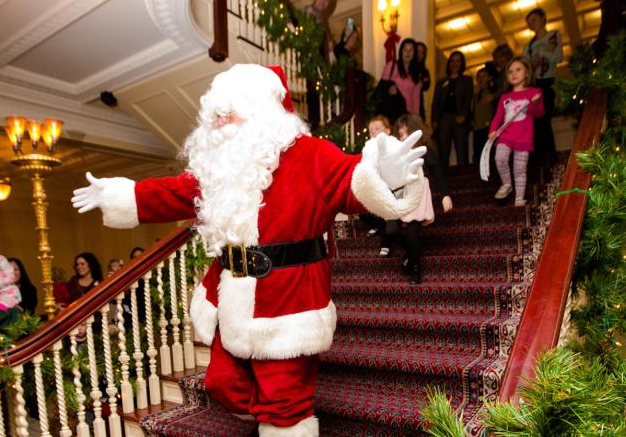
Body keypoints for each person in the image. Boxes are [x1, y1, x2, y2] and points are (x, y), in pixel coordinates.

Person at [71, 63, 426, 435]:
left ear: (263, 110)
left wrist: (387, 176)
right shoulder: (220, 168)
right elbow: (174, 192)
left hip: (290, 305)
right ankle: (265, 418)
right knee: (220, 383)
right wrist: (119, 193)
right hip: (234, 297)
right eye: (216, 111)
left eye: (231, 108)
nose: (221, 117)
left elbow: (350, 181)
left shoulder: (310, 154)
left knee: (285, 407)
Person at [381, 114, 453, 284]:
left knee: (413, 235)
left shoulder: (428, 151)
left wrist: (445, 195)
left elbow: (439, 175)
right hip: (401, 194)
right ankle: (413, 253)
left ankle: (415, 268)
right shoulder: (399, 154)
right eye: (401, 135)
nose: (404, 137)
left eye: (407, 133)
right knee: (391, 230)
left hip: (419, 195)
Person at [489, 57, 544, 207]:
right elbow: (498, 116)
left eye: (518, 70)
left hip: (524, 138)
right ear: (507, 76)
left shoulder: (534, 92)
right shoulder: (505, 97)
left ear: (527, 72)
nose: (514, 74)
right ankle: (506, 184)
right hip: (505, 136)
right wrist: (493, 130)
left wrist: (535, 103)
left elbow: (539, 114)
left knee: (520, 169)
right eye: (510, 71)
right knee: (500, 158)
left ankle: (519, 199)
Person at [523, 7, 562, 165]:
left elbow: (558, 57)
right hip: (533, 85)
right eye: (529, 22)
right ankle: (540, 159)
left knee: (545, 120)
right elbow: (526, 66)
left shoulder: (553, 35)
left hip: (548, 81)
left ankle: (550, 157)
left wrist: (542, 55)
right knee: (535, 122)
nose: (531, 24)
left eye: (534, 20)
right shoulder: (528, 46)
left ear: (544, 18)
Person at [431, 51, 473, 168]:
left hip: (459, 117)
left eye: (458, 61)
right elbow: (435, 103)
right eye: (452, 61)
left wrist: (464, 115)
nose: (455, 63)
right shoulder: (440, 82)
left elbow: (468, 99)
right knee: (443, 152)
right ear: (449, 63)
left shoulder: (467, 80)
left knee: (462, 151)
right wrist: (434, 120)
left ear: (462, 63)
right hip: (443, 119)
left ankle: (465, 180)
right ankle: (445, 181)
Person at [304, 0, 334, 129]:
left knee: (315, 99)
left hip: (316, 68)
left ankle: (314, 125)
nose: (323, 2)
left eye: (326, 0)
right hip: (308, 65)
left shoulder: (323, 22)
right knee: (312, 99)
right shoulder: (307, 13)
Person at [380, 38, 422, 117]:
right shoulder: (392, 66)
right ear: (401, 51)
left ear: (414, 53)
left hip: (407, 114)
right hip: (392, 111)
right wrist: (389, 90)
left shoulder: (416, 73)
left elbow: (416, 99)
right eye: (405, 50)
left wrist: (415, 117)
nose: (408, 53)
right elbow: (382, 87)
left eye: (411, 50)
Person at [472, 67, 495, 164]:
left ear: (489, 78)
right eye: (479, 77)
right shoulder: (475, 95)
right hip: (477, 128)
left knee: (489, 154)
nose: (481, 79)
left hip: (489, 128)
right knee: (478, 154)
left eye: (484, 76)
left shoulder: (493, 92)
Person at [416, 42, 431, 121]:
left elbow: (427, 86)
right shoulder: (405, 69)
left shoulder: (424, 71)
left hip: (418, 107)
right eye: (418, 51)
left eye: (422, 53)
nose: (419, 55)